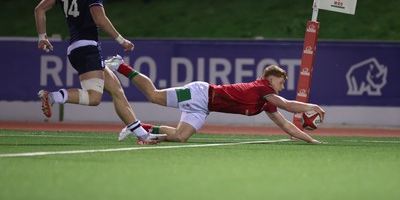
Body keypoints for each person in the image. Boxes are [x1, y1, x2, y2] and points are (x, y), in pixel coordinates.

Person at [34, 0, 165, 145]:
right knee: (94, 98)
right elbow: (100, 19)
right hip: (88, 49)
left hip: (77, 49)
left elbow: (40, 9)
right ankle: (52, 96)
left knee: (116, 90)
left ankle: (142, 135)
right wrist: (121, 40)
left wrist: (42, 36)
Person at [105, 55, 326, 144]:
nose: (282, 87)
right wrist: (312, 106)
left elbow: (286, 124)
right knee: (153, 95)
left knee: (180, 137)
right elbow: (287, 105)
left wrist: (310, 140)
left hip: (204, 108)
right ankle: (120, 65)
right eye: (281, 82)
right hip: (199, 93)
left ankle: (141, 128)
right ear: (271, 78)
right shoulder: (263, 88)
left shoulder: (266, 101)